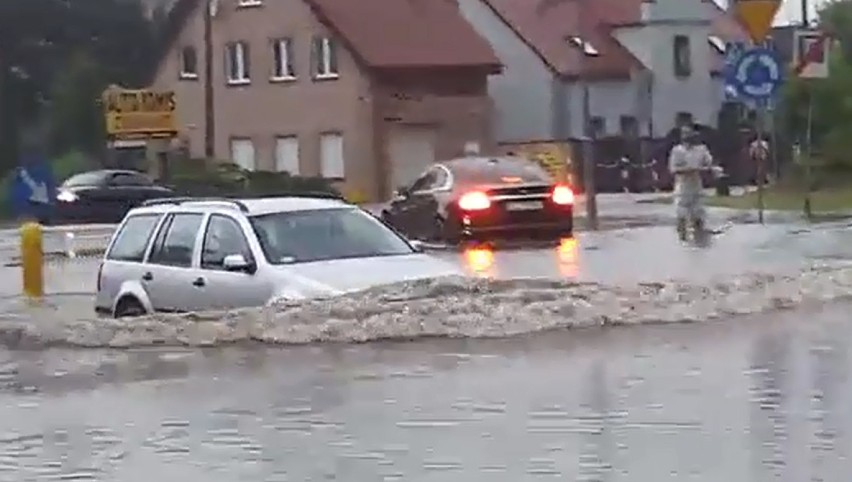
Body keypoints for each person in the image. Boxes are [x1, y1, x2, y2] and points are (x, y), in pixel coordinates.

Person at [668, 125, 715, 241]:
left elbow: (709, 164)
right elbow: (673, 169)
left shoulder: (702, 149)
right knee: (682, 216)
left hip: (696, 187)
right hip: (683, 188)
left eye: (690, 134)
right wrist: (690, 169)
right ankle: (682, 241)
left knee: (698, 215)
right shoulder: (677, 150)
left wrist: (711, 169)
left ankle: (700, 240)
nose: (688, 136)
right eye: (685, 134)